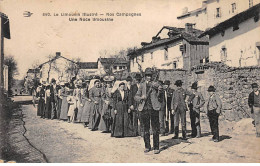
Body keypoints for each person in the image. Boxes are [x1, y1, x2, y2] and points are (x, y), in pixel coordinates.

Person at [134, 68, 163, 154]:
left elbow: (160, 94)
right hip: (144, 109)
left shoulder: (156, 84)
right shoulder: (142, 85)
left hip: (154, 109)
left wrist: (160, 90)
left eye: (150, 76)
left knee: (155, 129)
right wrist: (141, 98)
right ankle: (147, 146)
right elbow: (136, 96)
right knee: (145, 129)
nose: (149, 78)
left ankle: (156, 147)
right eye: (147, 76)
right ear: (145, 76)